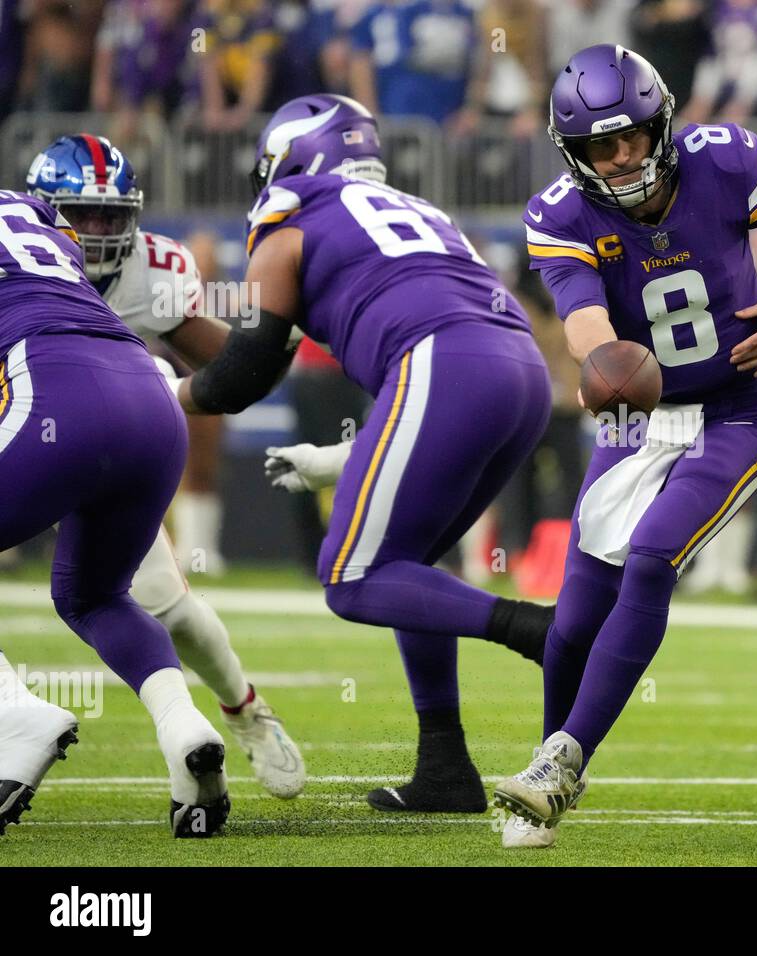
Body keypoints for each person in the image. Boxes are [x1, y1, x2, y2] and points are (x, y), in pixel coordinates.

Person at [491, 43, 757, 848]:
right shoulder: (560, 213)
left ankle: (564, 764)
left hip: (737, 410)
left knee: (651, 557)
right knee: (575, 615)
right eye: (597, 147)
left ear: (661, 125)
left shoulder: (724, 160)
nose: (619, 159)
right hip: (633, 416)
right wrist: (602, 361)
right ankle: (545, 770)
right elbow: (583, 315)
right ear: (571, 152)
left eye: (630, 139)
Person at [169, 93, 555, 814]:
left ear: (290, 158)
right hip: (519, 369)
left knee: (349, 576)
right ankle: (445, 766)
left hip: (444, 362)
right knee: (406, 566)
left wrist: (161, 394)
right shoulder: (415, 210)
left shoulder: (291, 212)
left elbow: (242, 377)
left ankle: (538, 630)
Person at [26, 133, 307, 800]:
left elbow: (229, 367)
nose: (95, 232)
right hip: (23, 431)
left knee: (165, 606)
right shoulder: (18, 258)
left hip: (102, 445)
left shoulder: (152, 270)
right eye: (80, 215)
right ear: (43, 213)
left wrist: (278, 334)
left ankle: (244, 709)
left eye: (110, 215)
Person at [0, 189, 229, 837]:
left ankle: (11, 714)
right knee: (95, 595)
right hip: (146, 393)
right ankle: (187, 733)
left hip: (53, 386)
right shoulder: (27, 207)